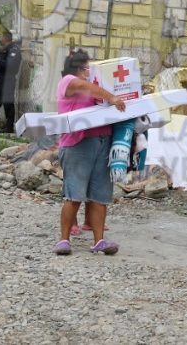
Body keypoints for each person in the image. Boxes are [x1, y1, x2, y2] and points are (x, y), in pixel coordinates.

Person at [53, 49, 126, 256]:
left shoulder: (96, 88)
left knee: (99, 196)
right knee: (74, 194)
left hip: (102, 141)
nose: (89, 72)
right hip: (78, 144)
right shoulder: (68, 81)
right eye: (87, 68)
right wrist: (112, 96)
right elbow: (84, 87)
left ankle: (99, 240)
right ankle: (64, 240)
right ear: (79, 68)